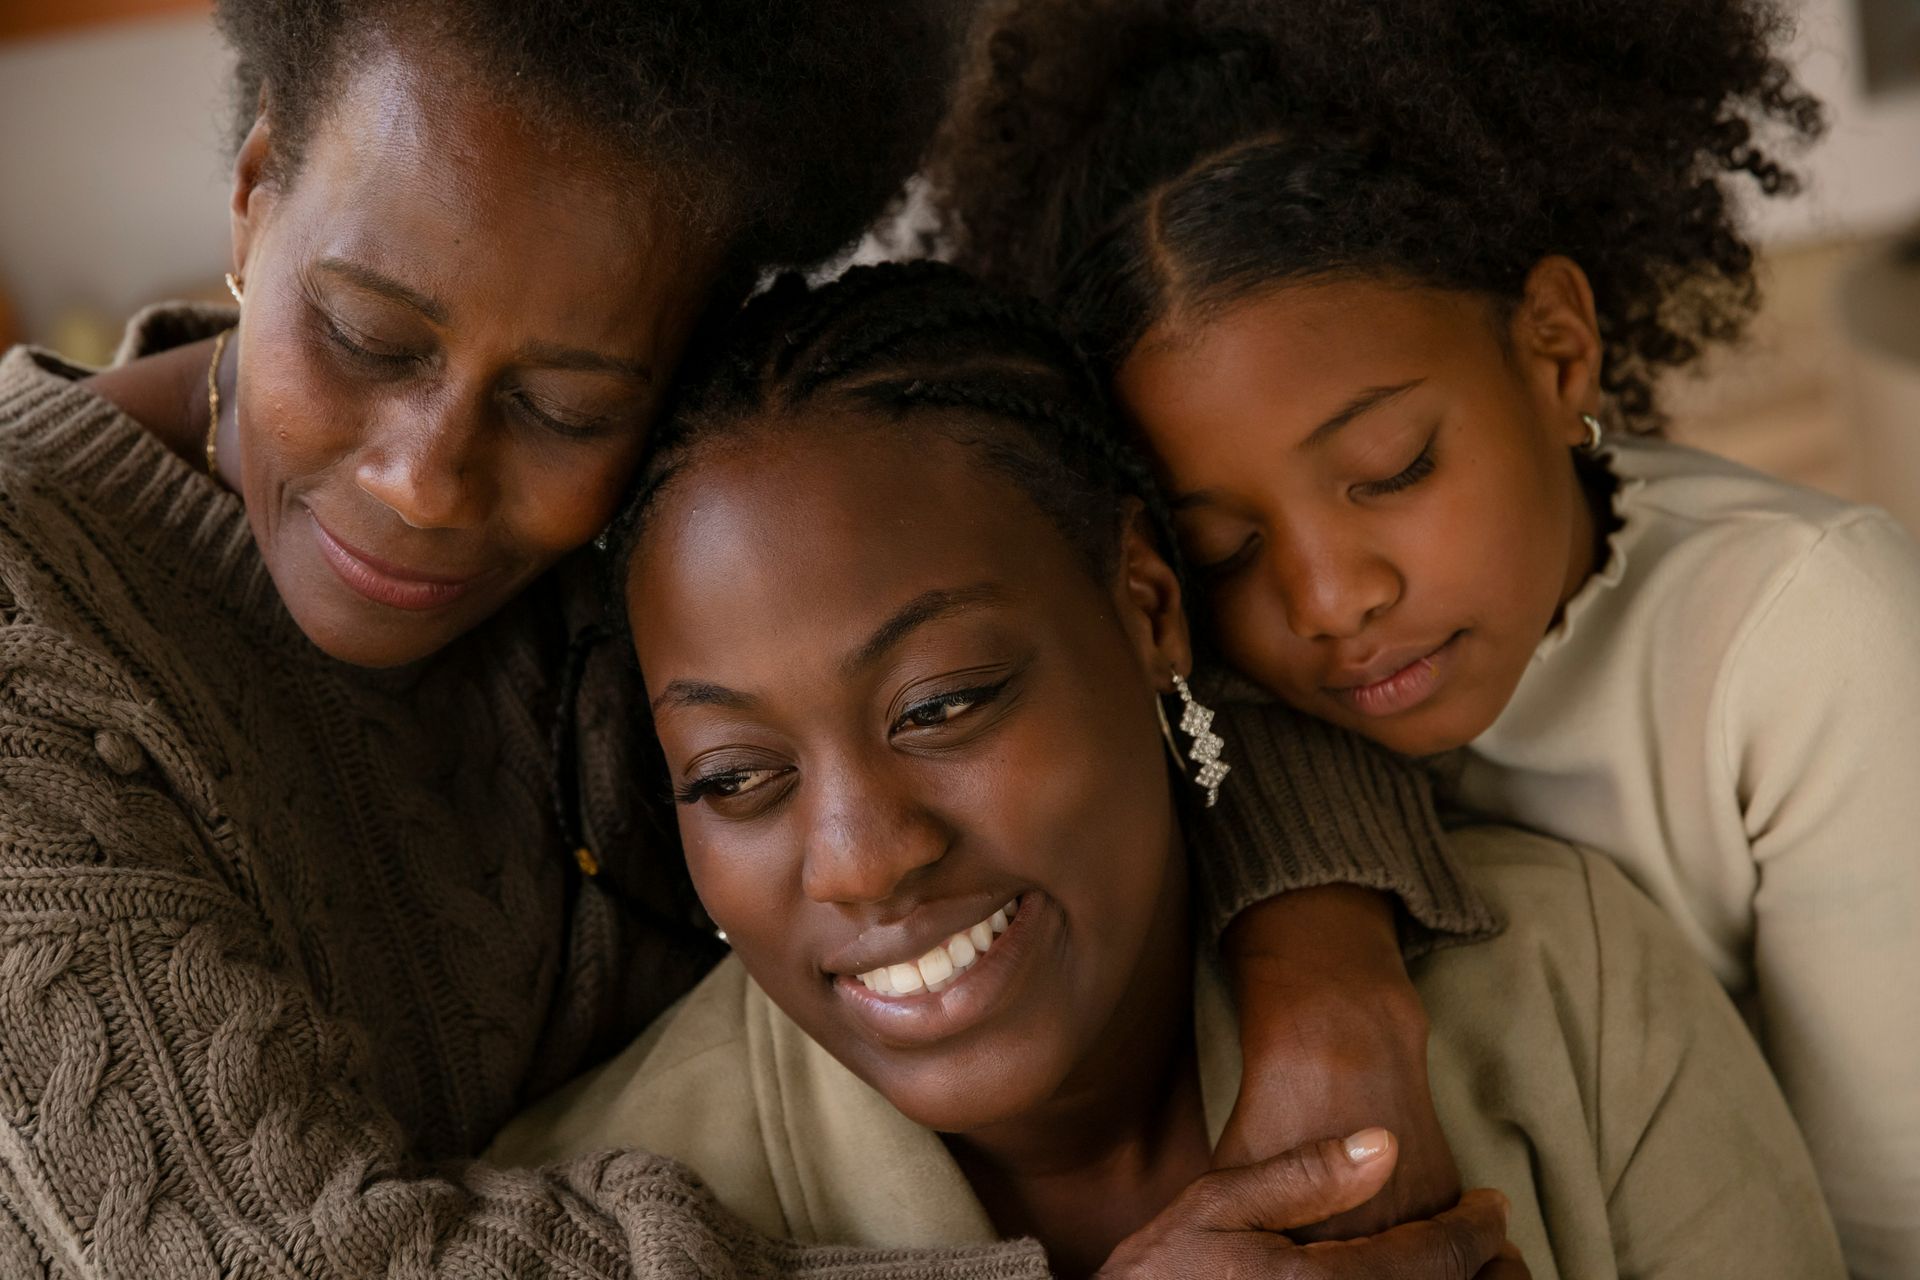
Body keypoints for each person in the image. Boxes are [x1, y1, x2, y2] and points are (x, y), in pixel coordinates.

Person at [0, 2, 1509, 1275]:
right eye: (368, 339)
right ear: (256, 190)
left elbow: (1154, 611)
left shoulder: (698, 512)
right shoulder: (33, 627)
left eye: (566, 407)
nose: (425, 481)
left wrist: (1318, 961)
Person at [490, 261, 1844, 1280]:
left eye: (943, 704)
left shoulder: (1572, 995)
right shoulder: (597, 1219)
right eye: (734, 778)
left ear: (1148, 607)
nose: (858, 857)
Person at [924, 3, 1920, 1274]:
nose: (1330, 599)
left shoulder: (1806, 637)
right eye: (1225, 547)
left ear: (1556, 351)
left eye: (1392, 467)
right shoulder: (1199, 673)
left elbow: (1890, 1222)